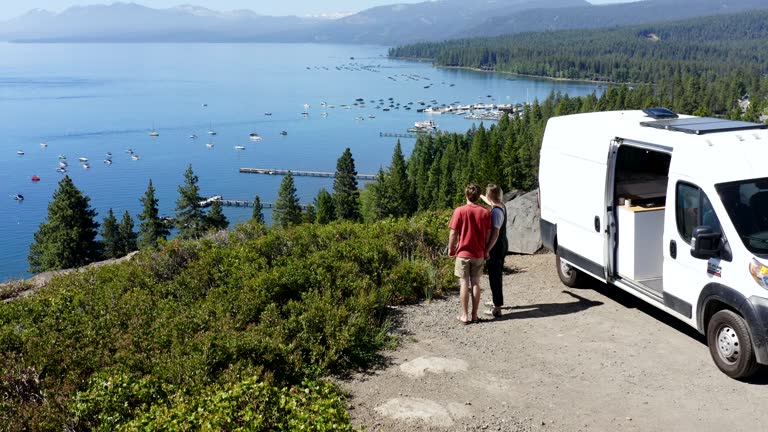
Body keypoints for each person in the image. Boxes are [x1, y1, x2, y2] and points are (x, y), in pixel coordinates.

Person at [448, 184, 492, 324]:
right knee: (476, 283)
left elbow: (454, 232)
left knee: (464, 283)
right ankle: (474, 315)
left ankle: (464, 315)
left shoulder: (460, 211)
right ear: (479, 196)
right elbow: (489, 233)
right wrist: (485, 250)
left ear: (466, 195)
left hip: (463, 253)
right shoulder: (485, 212)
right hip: (478, 253)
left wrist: (451, 248)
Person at [481, 184, 508, 318]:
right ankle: (496, 301)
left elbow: (495, 233)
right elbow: (490, 201)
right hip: (502, 244)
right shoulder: (501, 206)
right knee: (496, 275)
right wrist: (480, 196)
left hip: (496, 247)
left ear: (489, 195)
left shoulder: (495, 212)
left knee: (495, 277)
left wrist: (487, 249)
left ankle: (497, 308)